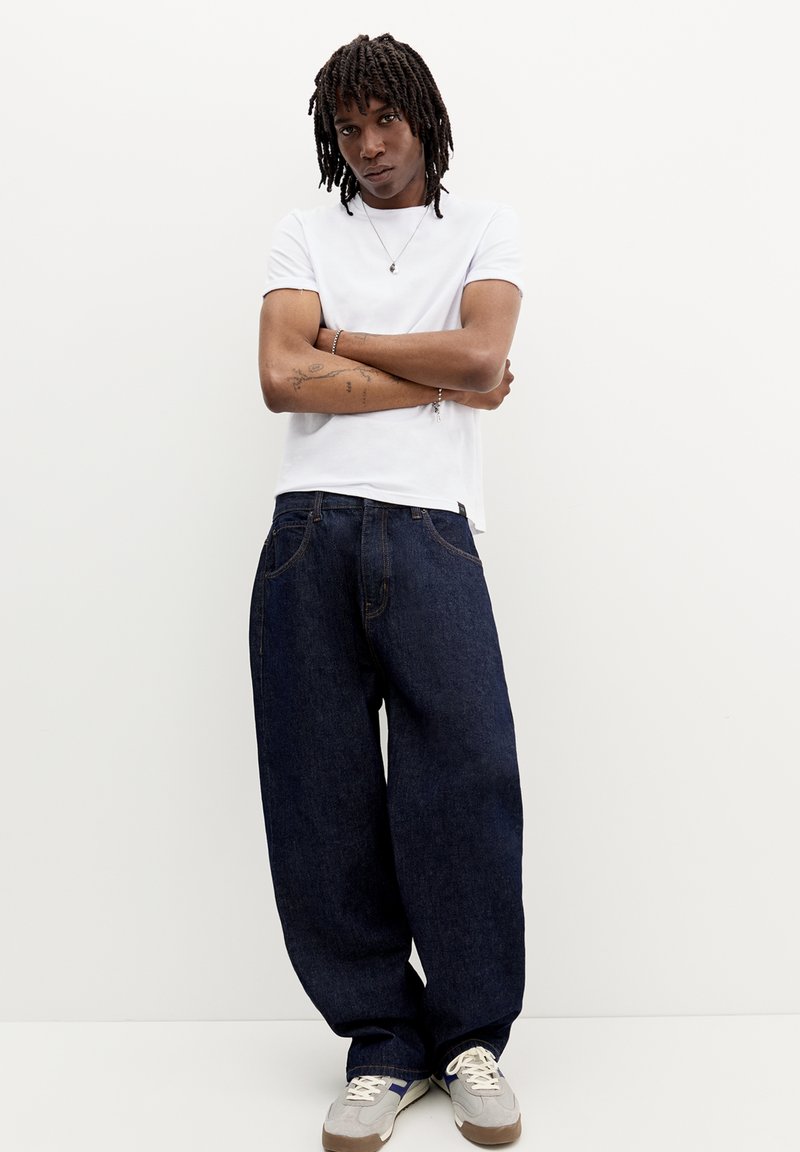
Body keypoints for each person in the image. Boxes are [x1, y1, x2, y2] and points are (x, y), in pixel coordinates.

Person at [249, 32, 525, 1150]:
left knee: (465, 778)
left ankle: (468, 1039)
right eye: (348, 127)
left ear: (423, 118)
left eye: (384, 121)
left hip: (431, 531)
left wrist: (345, 341)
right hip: (308, 532)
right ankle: (381, 1042)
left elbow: (483, 356)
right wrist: (437, 367)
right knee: (320, 796)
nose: (367, 145)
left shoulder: (483, 228)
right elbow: (282, 377)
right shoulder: (303, 231)